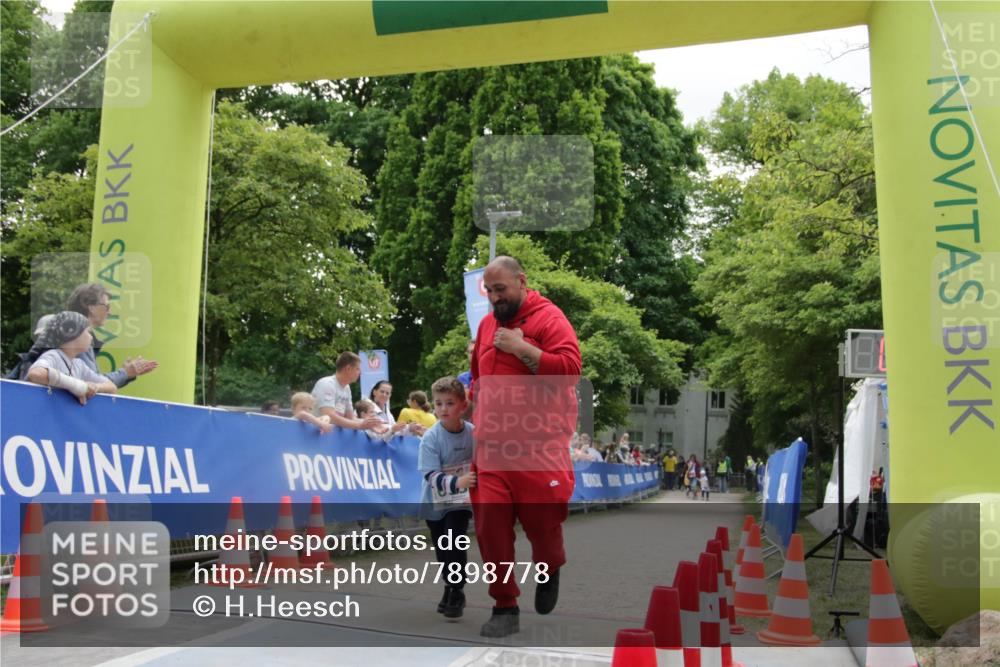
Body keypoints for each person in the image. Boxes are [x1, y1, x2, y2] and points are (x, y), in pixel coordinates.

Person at [470, 256, 581, 638]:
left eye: (501, 289)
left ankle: (550, 566)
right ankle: (504, 605)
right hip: (492, 451)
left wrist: (524, 349)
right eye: (489, 291)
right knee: (490, 527)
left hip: (539, 448)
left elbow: (570, 372)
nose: (495, 298)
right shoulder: (485, 327)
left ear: (522, 281)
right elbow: (477, 379)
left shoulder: (549, 319)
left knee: (543, 525)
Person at [418, 376, 476, 619]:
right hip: (435, 502)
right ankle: (449, 586)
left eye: (450, 403)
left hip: (460, 502)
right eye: (438, 403)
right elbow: (429, 474)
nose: (443, 409)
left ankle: (457, 590)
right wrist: (457, 481)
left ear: (462, 405)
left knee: (455, 541)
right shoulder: (431, 437)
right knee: (443, 549)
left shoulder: (473, 433)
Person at [66, 283, 158, 387]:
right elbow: (94, 385)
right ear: (91, 308)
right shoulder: (78, 337)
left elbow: (95, 385)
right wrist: (125, 373)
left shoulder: (71, 332)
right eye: (107, 306)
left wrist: (126, 373)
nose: (109, 312)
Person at [26, 311, 117, 404]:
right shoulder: (53, 355)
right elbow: (35, 374)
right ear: (73, 334)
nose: (91, 337)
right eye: (88, 332)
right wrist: (77, 386)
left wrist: (94, 387)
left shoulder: (79, 365)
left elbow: (112, 387)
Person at [311, 351, 383, 431]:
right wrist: (360, 425)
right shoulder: (327, 383)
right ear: (348, 368)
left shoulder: (346, 388)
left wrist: (373, 424)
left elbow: (350, 418)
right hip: (313, 435)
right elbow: (329, 416)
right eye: (357, 369)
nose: (360, 373)